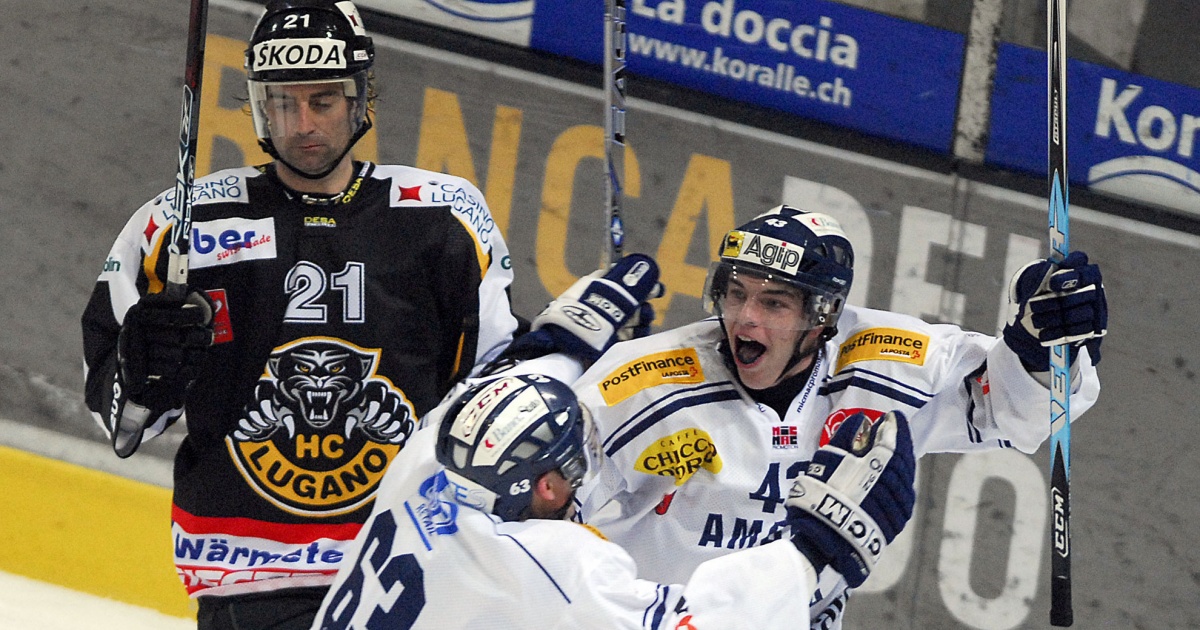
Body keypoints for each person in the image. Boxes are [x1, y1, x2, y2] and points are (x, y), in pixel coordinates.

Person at [80, 1, 525, 626]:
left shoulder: (445, 218)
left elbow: (496, 391)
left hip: (409, 567)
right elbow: (121, 422)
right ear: (258, 106)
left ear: (361, 98)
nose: (303, 124)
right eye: (282, 103)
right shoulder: (181, 226)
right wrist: (143, 375)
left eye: (323, 100)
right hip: (251, 575)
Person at [570, 204, 1107, 629]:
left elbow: (1009, 410)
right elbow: (542, 495)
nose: (746, 317)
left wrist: (1040, 350)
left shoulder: (883, 359)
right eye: (736, 294)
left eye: (774, 303)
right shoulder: (644, 382)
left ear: (822, 313)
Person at [311, 373, 917, 629]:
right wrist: (817, 547)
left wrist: (569, 336)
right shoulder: (553, 563)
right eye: (572, 467)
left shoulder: (420, 465)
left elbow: (502, 376)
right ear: (547, 487)